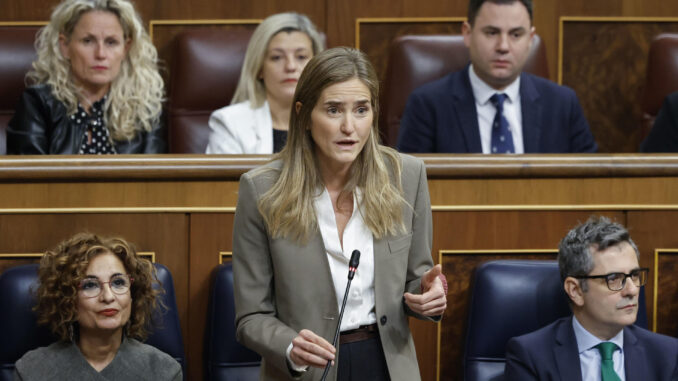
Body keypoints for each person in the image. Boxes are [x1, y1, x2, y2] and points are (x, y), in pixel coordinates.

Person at [232, 47, 447, 381]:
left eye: (361, 110)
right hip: (308, 370)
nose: (350, 127)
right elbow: (251, 316)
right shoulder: (262, 191)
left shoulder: (406, 176)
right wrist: (290, 346)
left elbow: (415, 279)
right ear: (303, 114)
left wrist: (427, 296)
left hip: (387, 363)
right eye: (333, 110)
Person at [396, 0, 597, 154]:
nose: (503, 46)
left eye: (516, 35)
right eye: (491, 33)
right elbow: (409, 192)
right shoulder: (427, 105)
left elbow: (592, 185)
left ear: (530, 39)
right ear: (467, 33)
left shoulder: (563, 104)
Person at [504, 216, 678, 380]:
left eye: (634, 275)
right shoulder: (530, 356)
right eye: (614, 279)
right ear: (576, 290)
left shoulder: (667, 355)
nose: (632, 290)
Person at [13, 232, 182, 380]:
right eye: (90, 285)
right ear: (68, 299)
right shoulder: (32, 370)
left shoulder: (164, 371)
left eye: (118, 282)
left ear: (133, 295)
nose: (108, 297)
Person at [7, 0, 165, 155]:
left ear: (125, 48)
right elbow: (29, 179)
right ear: (65, 46)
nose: (101, 54)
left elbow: (153, 179)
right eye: (88, 41)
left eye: (111, 42)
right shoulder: (38, 104)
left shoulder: (145, 109)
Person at [205, 12, 324, 154]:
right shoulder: (230, 124)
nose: (290, 66)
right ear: (260, 68)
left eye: (301, 56)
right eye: (277, 57)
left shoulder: (335, 119)